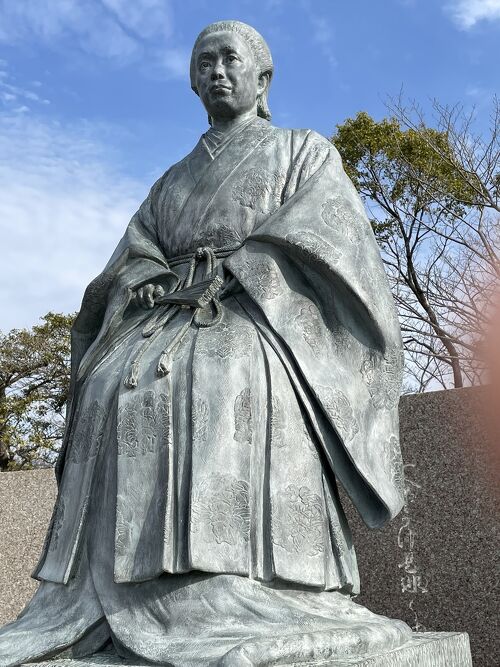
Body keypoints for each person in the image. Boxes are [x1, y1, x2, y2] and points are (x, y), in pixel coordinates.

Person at [0, 20, 411, 666]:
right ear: (194, 82)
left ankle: (227, 576)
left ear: (262, 80)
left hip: (258, 314)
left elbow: (330, 239)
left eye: (230, 60)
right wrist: (141, 280)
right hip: (170, 312)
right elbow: (134, 253)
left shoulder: (303, 152)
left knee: (219, 366)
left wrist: (245, 267)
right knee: (107, 378)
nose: (217, 71)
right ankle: (117, 586)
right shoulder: (171, 181)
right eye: (205, 63)